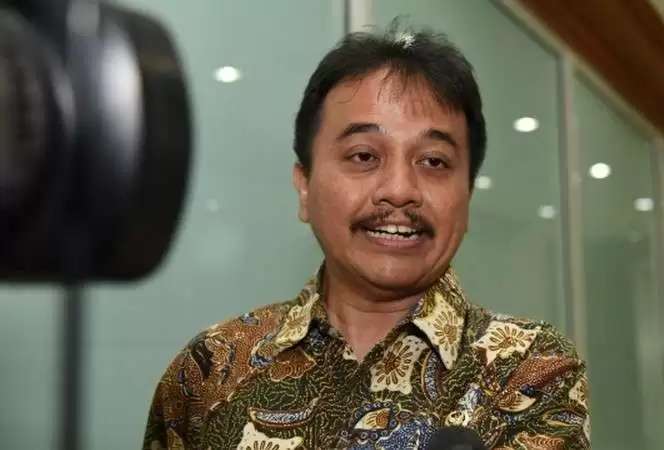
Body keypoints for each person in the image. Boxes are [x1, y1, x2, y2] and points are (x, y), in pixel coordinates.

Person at [143, 21, 590, 450]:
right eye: (363, 156)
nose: (399, 190)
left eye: (433, 161)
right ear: (305, 185)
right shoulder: (211, 368)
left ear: (467, 195)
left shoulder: (529, 369)